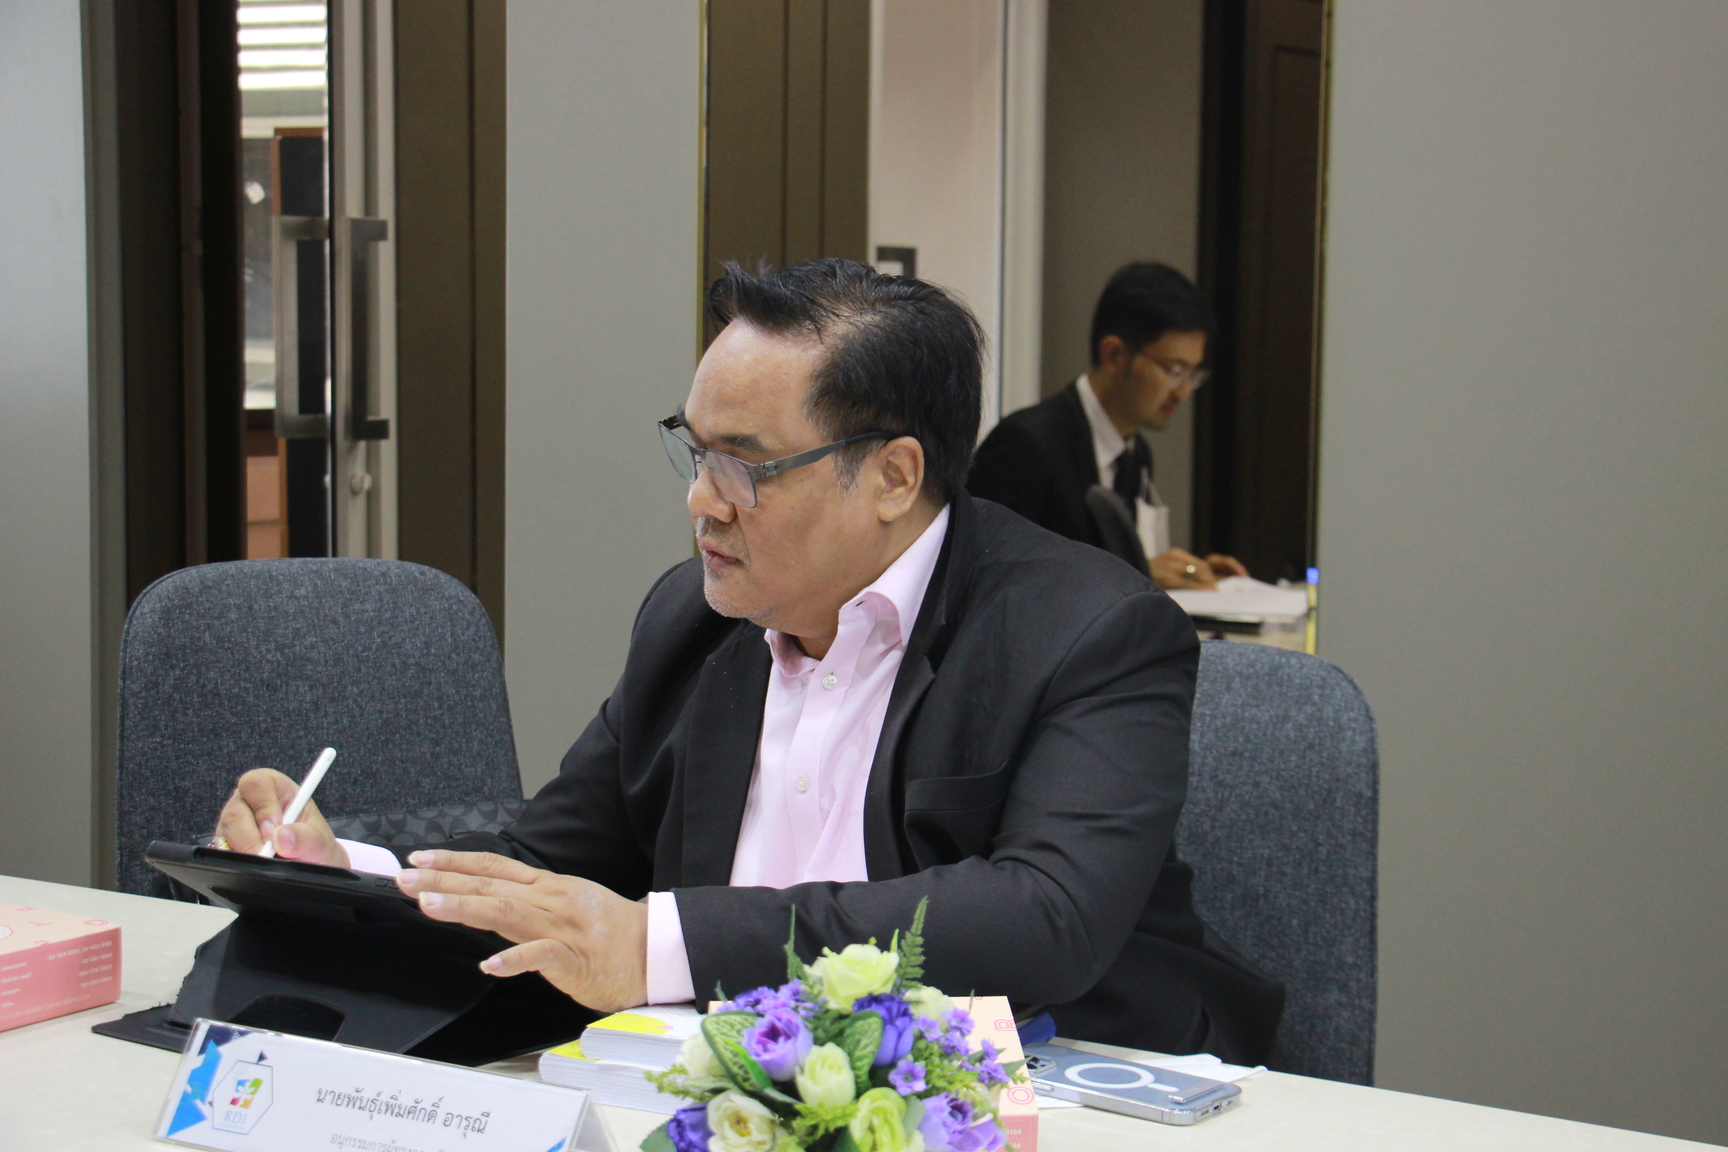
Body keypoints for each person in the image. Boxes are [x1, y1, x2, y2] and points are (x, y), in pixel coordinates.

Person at [215, 259, 1282, 1060]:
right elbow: (547, 870)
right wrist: (344, 878)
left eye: (747, 466)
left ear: (894, 476)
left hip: (1048, 1082)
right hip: (732, 1094)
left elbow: (1044, 917)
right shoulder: (693, 619)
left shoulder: (1090, 629)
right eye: (695, 449)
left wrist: (658, 944)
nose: (701, 500)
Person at [968, 262, 1248, 589]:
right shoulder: (1026, 445)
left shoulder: (1136, 454)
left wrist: (1189, 574)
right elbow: (996, 582)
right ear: (1114, 355)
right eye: (1174, 370)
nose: (1184, 391)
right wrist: (1138, 573)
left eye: (1192, 374)